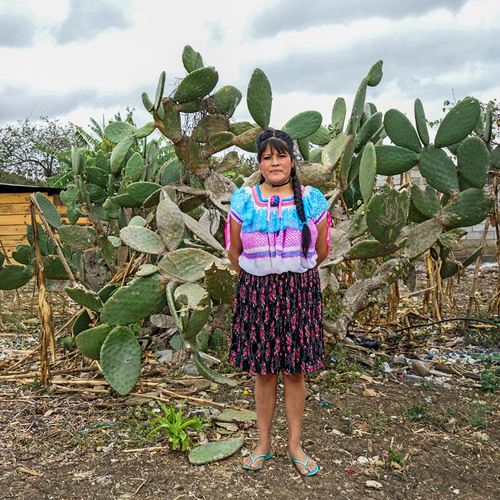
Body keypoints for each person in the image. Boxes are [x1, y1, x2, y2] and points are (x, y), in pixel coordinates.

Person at [225, 129, 330, 476]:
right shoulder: (243, 200)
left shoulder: (312, 200)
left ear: (292, 160)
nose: (275, 162)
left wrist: (290, 273)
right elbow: (234, 252)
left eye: (281, 155)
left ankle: (295, 446)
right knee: (265, 372)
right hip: (257, 293)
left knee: (295, 372)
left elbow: (321, 251)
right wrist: (262, 276)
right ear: (259, 162)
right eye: (267, 157)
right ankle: (263, 445)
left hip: (299, 291)